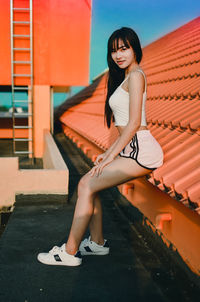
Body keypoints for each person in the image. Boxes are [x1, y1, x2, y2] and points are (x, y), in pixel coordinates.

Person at [37, 27, 164, 266]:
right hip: (131, 149)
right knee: (91, 184)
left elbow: (135, 122)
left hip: (141, 151)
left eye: (124, 48)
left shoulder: (136, 75)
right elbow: (124, 125)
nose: (119, 55)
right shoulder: (126, 76)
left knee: (86, 183)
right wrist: (108, 154)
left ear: (135, 48)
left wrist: (108, 158)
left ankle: (69, 252)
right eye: (114, 50)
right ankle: (96, 243)